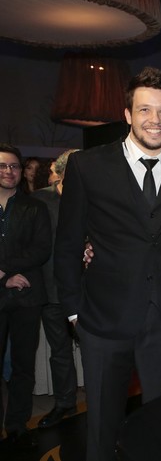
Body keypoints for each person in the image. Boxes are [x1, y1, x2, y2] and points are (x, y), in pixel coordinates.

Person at [54, 67, 161, 461]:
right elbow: (66, 245)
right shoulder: (87, 166)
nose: (155, 120)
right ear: (128, 114)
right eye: (145, 110)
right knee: (101, 426)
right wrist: (74, 313)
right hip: (101, 319)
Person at [0, 143, 51, 451]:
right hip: (5, 287)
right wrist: (4, 277)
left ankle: (16, 425)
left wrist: (5, 271)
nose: (9, 171)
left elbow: (41, 249)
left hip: (26, 298)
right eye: (3, 166)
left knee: (22, 367)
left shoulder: (35, 207)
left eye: (14, 166)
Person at [31, 149, 80, 428]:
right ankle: (65, 402)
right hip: (51, 291)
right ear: (59, 174)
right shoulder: (38, 200)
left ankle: (103, 400)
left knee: (94, 348)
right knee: (59, 350)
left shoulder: (95, 199)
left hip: (87, 290)